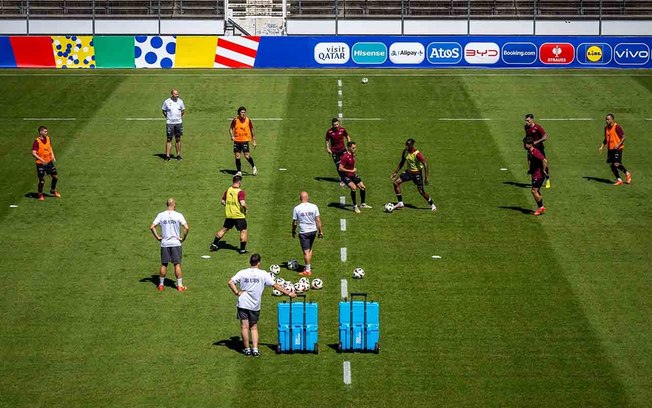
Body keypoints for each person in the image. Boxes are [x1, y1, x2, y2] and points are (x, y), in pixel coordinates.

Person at [228, 253, 296, 357]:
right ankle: (255, 349)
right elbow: (275, 285)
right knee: (253, 327)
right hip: (254, 305)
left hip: (242, 303)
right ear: (259, 263)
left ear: (250, 262)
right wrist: (289, 293)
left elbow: (230, 282)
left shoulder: (242, 272)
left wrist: (237, 292)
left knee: (244, 327)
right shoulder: (263, 274)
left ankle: (246, 349)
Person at [150, 198, 189, 291]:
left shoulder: (161, 215)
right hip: (176, 243)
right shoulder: (178, 215)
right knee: (177, 264)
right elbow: (186, 228)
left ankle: (161, 285)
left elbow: (152, 227)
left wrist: (157, 237)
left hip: (165, 243)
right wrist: (183, 238)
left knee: (164, 264)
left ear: (167, 204)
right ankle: (180, 286)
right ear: (174, 204)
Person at [391, 138, 437, 211]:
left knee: (421, 191)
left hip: (417, 174)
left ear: (412, 146)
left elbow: (425, 164)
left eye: (408, 145)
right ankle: (400, 203)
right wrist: (395, 172)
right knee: (396, 183)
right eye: (406, 145)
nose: (406, 146)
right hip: (408, 172)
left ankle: (432, 204)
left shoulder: (417, 154)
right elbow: (402, 162)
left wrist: (426, 177)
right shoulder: (405, 151)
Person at [210, 175, 248, 254]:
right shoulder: (240, 192)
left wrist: (228, 206)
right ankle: (242, 250)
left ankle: (214, 243)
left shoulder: (228, 190)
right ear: (239, 182)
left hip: (229, 215)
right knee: (243, 231)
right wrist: (245, 209)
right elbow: (242, 203)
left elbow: (223, 201)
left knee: (224, 229)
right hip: (239, 216)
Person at [291, 191, 323, 277]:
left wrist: (293, 231)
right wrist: (320, 231)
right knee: (310, 249)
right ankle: (307, 267)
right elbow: (318, 220)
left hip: (304, 232)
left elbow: (294, 223)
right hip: (313, 231)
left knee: (306, 252)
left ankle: (308, 271)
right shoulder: (314, 206)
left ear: (300, 198)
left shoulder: (297, 208)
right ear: (307, 197)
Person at [338, 141, 371, 213]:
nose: (355, 149)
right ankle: (355, 206)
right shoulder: (345, 157)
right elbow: (340, 168)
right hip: (345, 176)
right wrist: (350, 170)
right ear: (349, 147)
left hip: (352, 175)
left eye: (355, 147)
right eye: (353, 148)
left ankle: (363, 204)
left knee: (362, 187)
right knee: (353, 188)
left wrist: (352, 171)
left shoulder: (353, 154)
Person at [599, 113, 632, 186]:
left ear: (612, 119)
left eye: (608, 119)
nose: (606, 120)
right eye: (606, 119)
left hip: (618, 148)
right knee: (611, 164)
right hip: (610, 149)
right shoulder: (606, 128)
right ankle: (619, 180)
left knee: (616, 164)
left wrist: (618, 144)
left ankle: (627, 173)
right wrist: (602, 146)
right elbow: (606, 138)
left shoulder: (617, 127)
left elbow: (623, 137)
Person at [31, 126, 61, 201]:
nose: (46, 133)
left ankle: (53, 190)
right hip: (40, 163)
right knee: (42, 181)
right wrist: (41, 160)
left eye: (46, 131)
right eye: (45, 131)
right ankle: (40, 194)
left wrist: (53, 156)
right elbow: (33, 153)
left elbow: (50, 147)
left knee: (55, 177)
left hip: (49, 162)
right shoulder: (36, 141)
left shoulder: (48, 138)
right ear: (40, 132)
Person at [524, 113, 550, 188]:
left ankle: (547, 179)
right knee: (530, 161)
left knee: (543, 162)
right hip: (531, 148)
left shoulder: (537, 127)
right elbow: (527, 136)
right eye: (526, 120)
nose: (527, 122)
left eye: (528, 120)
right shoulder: (526, 127)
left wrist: (536, 142)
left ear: (532, 120)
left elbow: (545, 136)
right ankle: (534, 178)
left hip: (539, 148)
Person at [230, 106, 257, 176]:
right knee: (237, 156)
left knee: (247, 156)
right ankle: (239, 171)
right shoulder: (235, 120)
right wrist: (232, 136)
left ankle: (254, 167)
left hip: (245, 141)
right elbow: (230, 128)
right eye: (242, 112)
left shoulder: (248, 120)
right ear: (238, 113)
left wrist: (254, 141)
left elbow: (252, 130)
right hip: (237, 141)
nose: (243, 114)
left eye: (244, 112)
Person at [524, 142, 548, 215]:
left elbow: (544, 160)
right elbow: (530, 161)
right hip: (535, 174)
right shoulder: (529, 151)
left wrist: (543, 170)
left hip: (539, 175)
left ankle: (541, 207)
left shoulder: (535, 152)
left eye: (525, 144)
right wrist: (531, 170)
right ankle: (541, 207)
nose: (524, 145)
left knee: (534, 191)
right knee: (536, 191)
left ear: (530, 144)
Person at [161, 89, 185, 161]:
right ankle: (168, 155)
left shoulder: (180, 101)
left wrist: (179, 117)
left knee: (178, 138)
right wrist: (167, 117)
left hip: (178, 123)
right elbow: (163, 110)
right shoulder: (167, 102)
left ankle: (178, 155)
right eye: (176, 94)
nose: (177, 95)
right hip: (170, 123)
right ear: (172, 94)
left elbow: (183, 110)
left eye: (177, 94)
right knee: (169, 139)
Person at [325, 118, 350, 185]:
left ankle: (347, 177)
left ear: (339, 124)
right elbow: (327, 140)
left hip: (343, 150)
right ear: (332, 125)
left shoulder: (342, 130)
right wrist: (327, 148)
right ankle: (342, 178)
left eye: (337, 124)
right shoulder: (329, 132)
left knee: (345, 164)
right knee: (339, 166)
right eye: (334, 125)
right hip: (334, 151)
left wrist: (349, 145)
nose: (336, 126)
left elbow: (347, 136)